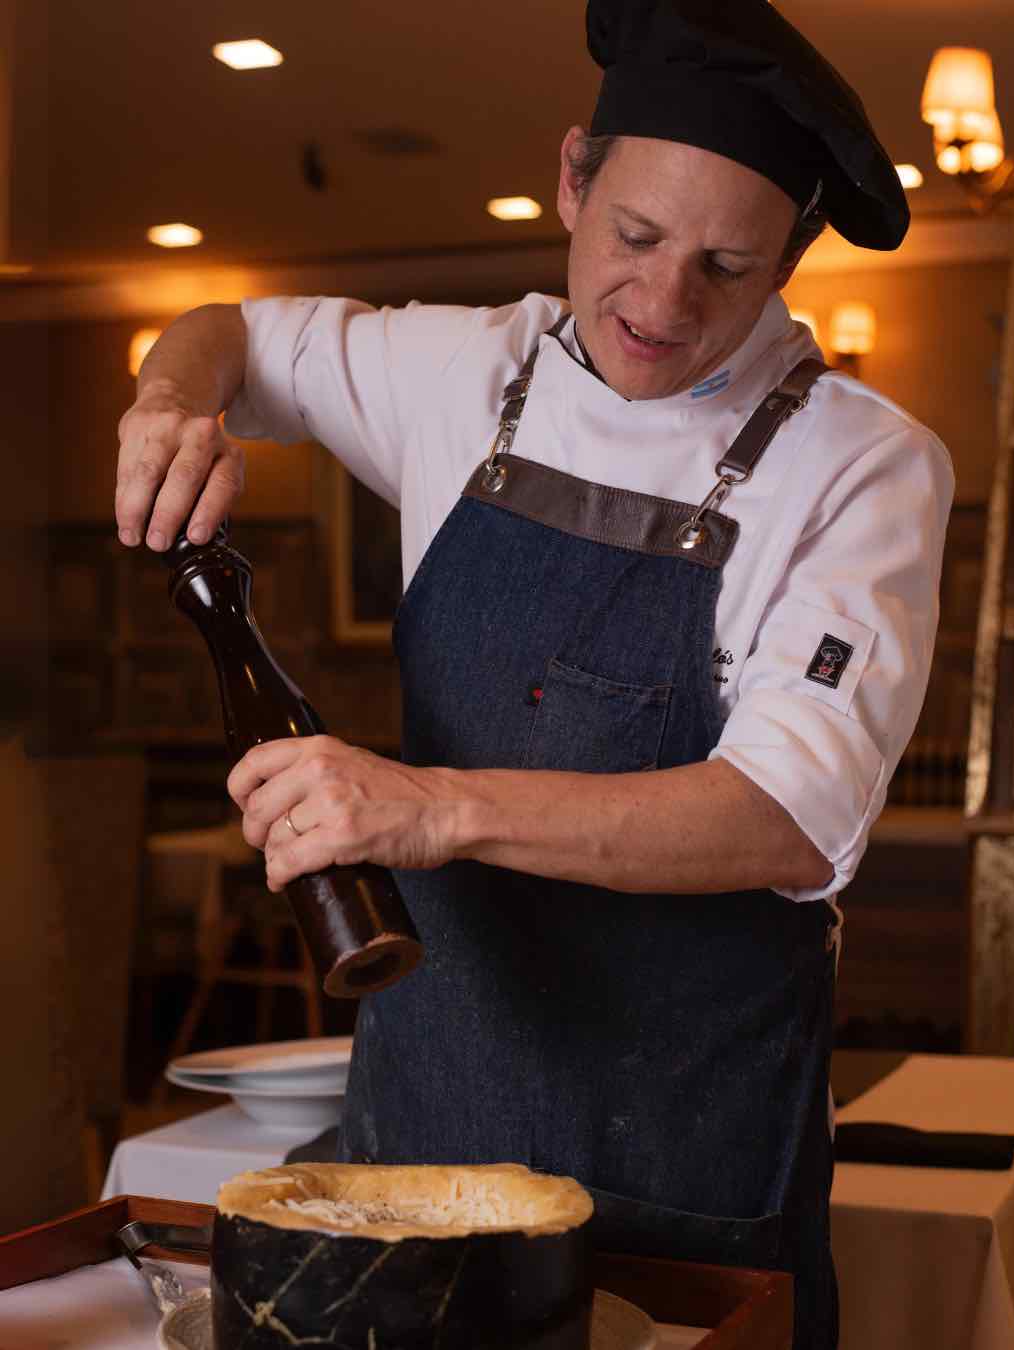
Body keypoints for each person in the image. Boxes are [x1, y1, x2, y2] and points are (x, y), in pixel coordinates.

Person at [115, 2, 953, 1345]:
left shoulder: (864, 466)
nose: (663, 305)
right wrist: (170, 403)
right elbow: (228, 332)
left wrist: (431, 806)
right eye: (636, 237)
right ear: (573, 179)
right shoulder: (472, 370)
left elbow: (788, 816)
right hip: (422, 1153)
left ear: (793, 259)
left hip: (682, 1175)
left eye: (728, 266)